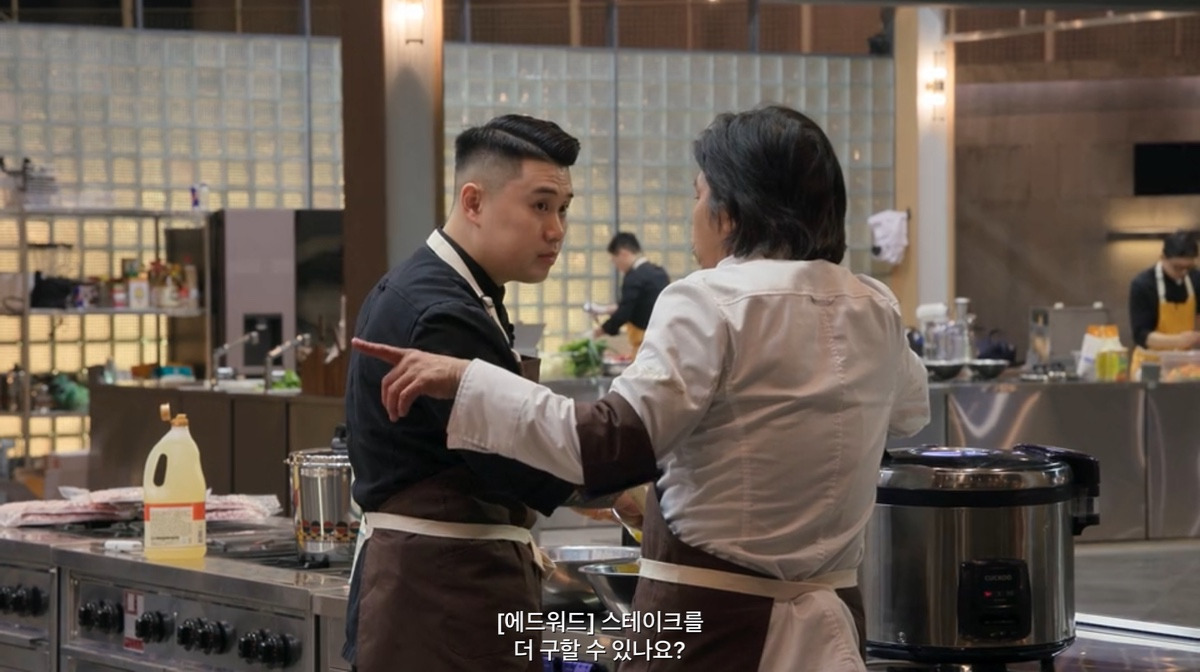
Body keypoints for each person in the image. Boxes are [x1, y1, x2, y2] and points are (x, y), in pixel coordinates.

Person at [352, 105, 931, 671]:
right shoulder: (875, 306)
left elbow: (605, 445)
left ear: (730, 212)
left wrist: (467, 381)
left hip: (708, 628)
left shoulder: (709, 300)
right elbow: (909, 413)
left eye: (698, 195)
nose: (556, 229)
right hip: (831, 623)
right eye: (542, 206)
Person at [342, 114, 590, 672]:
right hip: (440, 600)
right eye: (540, 205)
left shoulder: (453, 288)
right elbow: (520, 458)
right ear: (473, 202)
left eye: (563, 209)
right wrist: (615, 478)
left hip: (443, 591)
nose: (556, 230)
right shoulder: (439, 312)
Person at [1129, 230, 1200, 379]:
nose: (1183, 273)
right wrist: (1179, 340)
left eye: (1188, 267)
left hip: (1185, 365)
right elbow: (1142, 335)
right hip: (1150, 365)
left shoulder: (1195, 279)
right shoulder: (1143, 285)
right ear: (1162, 258)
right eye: (1177, 267)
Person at [586, 232, 671, 352]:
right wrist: (604, 309)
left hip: (644, 344)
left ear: (623, 253)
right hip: (664, 341)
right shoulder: (660, 273)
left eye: (614, 260)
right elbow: (640, 305)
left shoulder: (634, 277)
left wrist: (599, 331)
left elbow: (625, 312)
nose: (616, 266)